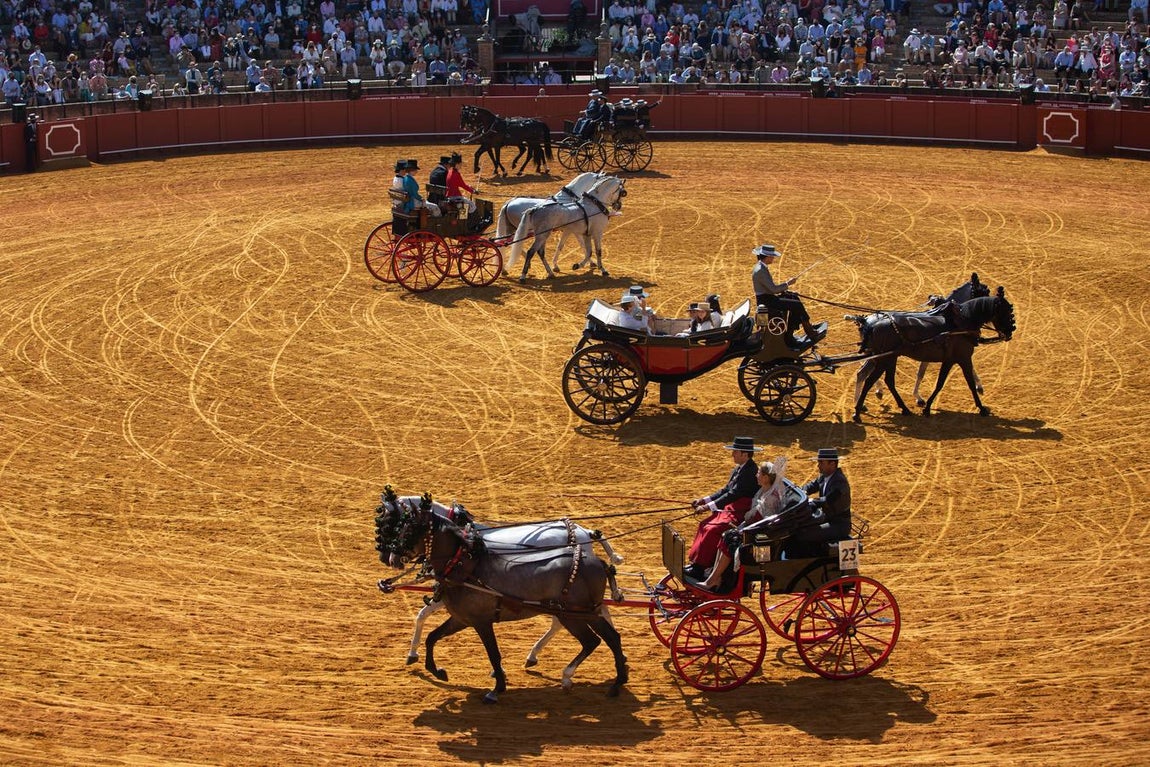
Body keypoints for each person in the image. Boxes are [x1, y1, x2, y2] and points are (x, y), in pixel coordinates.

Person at [685, 436, 764, 590]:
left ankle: (702, 568)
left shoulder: (750, 472)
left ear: (744, 454)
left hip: (739, 512)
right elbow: (725, 490)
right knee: (704, 524)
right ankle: (698, 565)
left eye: (735, 452)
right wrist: (704, 500)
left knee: (713, 529)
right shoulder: (739, 468)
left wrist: (708, 507)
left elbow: (732, 494)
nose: (732, 454)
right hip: (731, 508)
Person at [752, 243, 827, 349]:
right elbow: (773, 289)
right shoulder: (760, 270)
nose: (773, 258)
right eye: (772, 256)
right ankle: (809, 331)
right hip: (767, 301)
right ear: (767, 257)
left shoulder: (760, 267)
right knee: (796, 305)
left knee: (793, 298)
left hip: (767, 298)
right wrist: (788, 283)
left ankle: (791, 334)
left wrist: (787, 290)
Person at [786, 447, 852, 558]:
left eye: (821, 462)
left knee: (804, 534)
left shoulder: (839, 481)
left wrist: (812, 502)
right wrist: (799, 492)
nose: (818, 465)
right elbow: (810, 486)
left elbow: (828, 500)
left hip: (838, 524)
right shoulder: (824, 477)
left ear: (832, 464)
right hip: (827, 519)